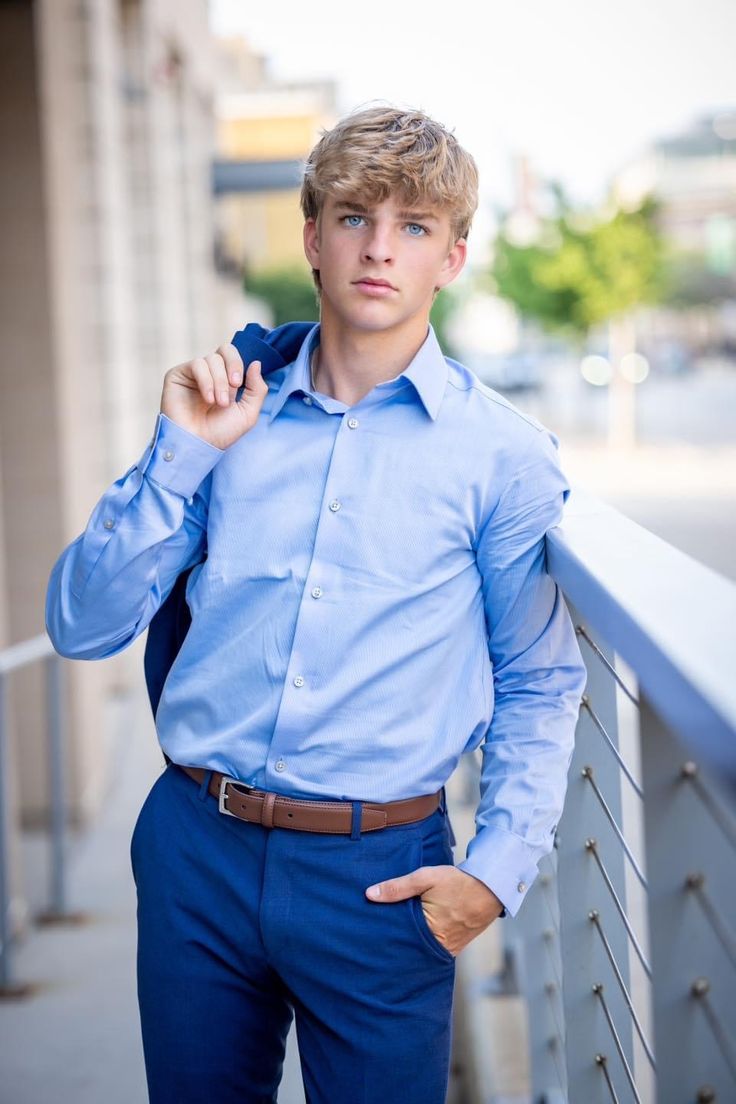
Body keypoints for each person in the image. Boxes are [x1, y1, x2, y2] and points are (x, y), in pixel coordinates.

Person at [46, 104, 587, 1104]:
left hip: (379, 877)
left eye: (415, 227)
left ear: (452, 258)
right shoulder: (221, 417)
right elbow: (81, 626)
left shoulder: (499, 458)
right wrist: (179, 457)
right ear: (310, 238)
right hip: (193, 851)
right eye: (353, 217)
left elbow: (540, 676)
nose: (379, 248)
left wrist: (495, 872)